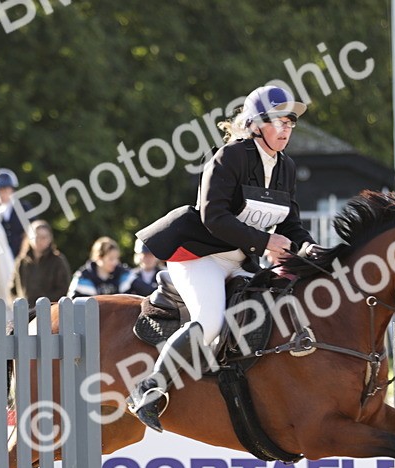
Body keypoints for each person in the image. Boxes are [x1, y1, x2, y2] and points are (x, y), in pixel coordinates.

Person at [131, 85, 317, 431]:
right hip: (200, 257)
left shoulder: (286, 167)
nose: (287, 128)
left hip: (241, 263)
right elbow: (213, 217)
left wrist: (309, 248)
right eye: (280, 120)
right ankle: (149, 389)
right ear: (257, 123)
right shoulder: (230, 157)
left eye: (291, 122)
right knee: (211, 320)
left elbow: (291, 224)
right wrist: (264, 242)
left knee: (275, 313)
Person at [10, 220, 72, 304]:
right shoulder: (21, 261)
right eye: (36, 236)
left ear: (50, 238)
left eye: (43, 237)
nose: (39, 240)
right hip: (25, 312)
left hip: (50, 311)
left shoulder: (58, 261)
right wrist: (19, 304)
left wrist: (43, 303)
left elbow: (64, 289)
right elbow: (12, 289)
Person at [0, 168, 27, 264]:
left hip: (20, 258)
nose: (0, 194)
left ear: (12, 190)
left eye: (4, 190)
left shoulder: (24, 208)